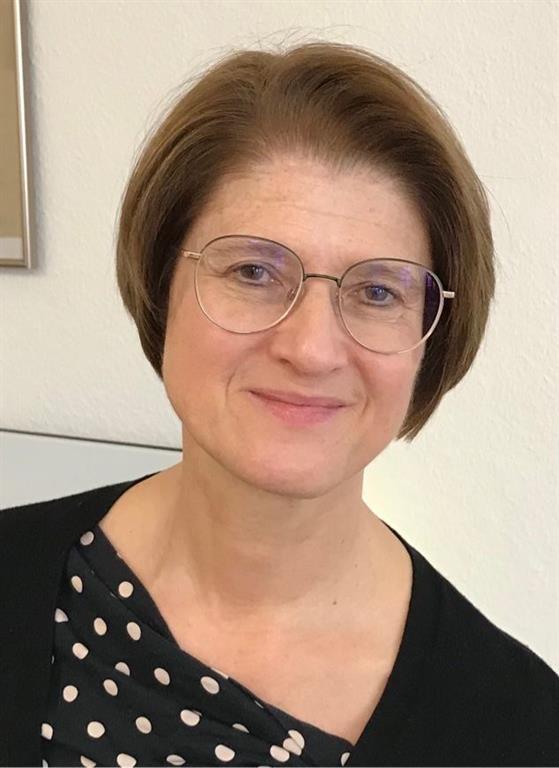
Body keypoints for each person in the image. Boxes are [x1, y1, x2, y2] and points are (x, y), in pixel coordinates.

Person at [1, 40, 557, 768]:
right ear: (161, 284)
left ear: (431, 339)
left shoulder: (522, 730)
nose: (312, 348)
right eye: (253, 271)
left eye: (377, 291)